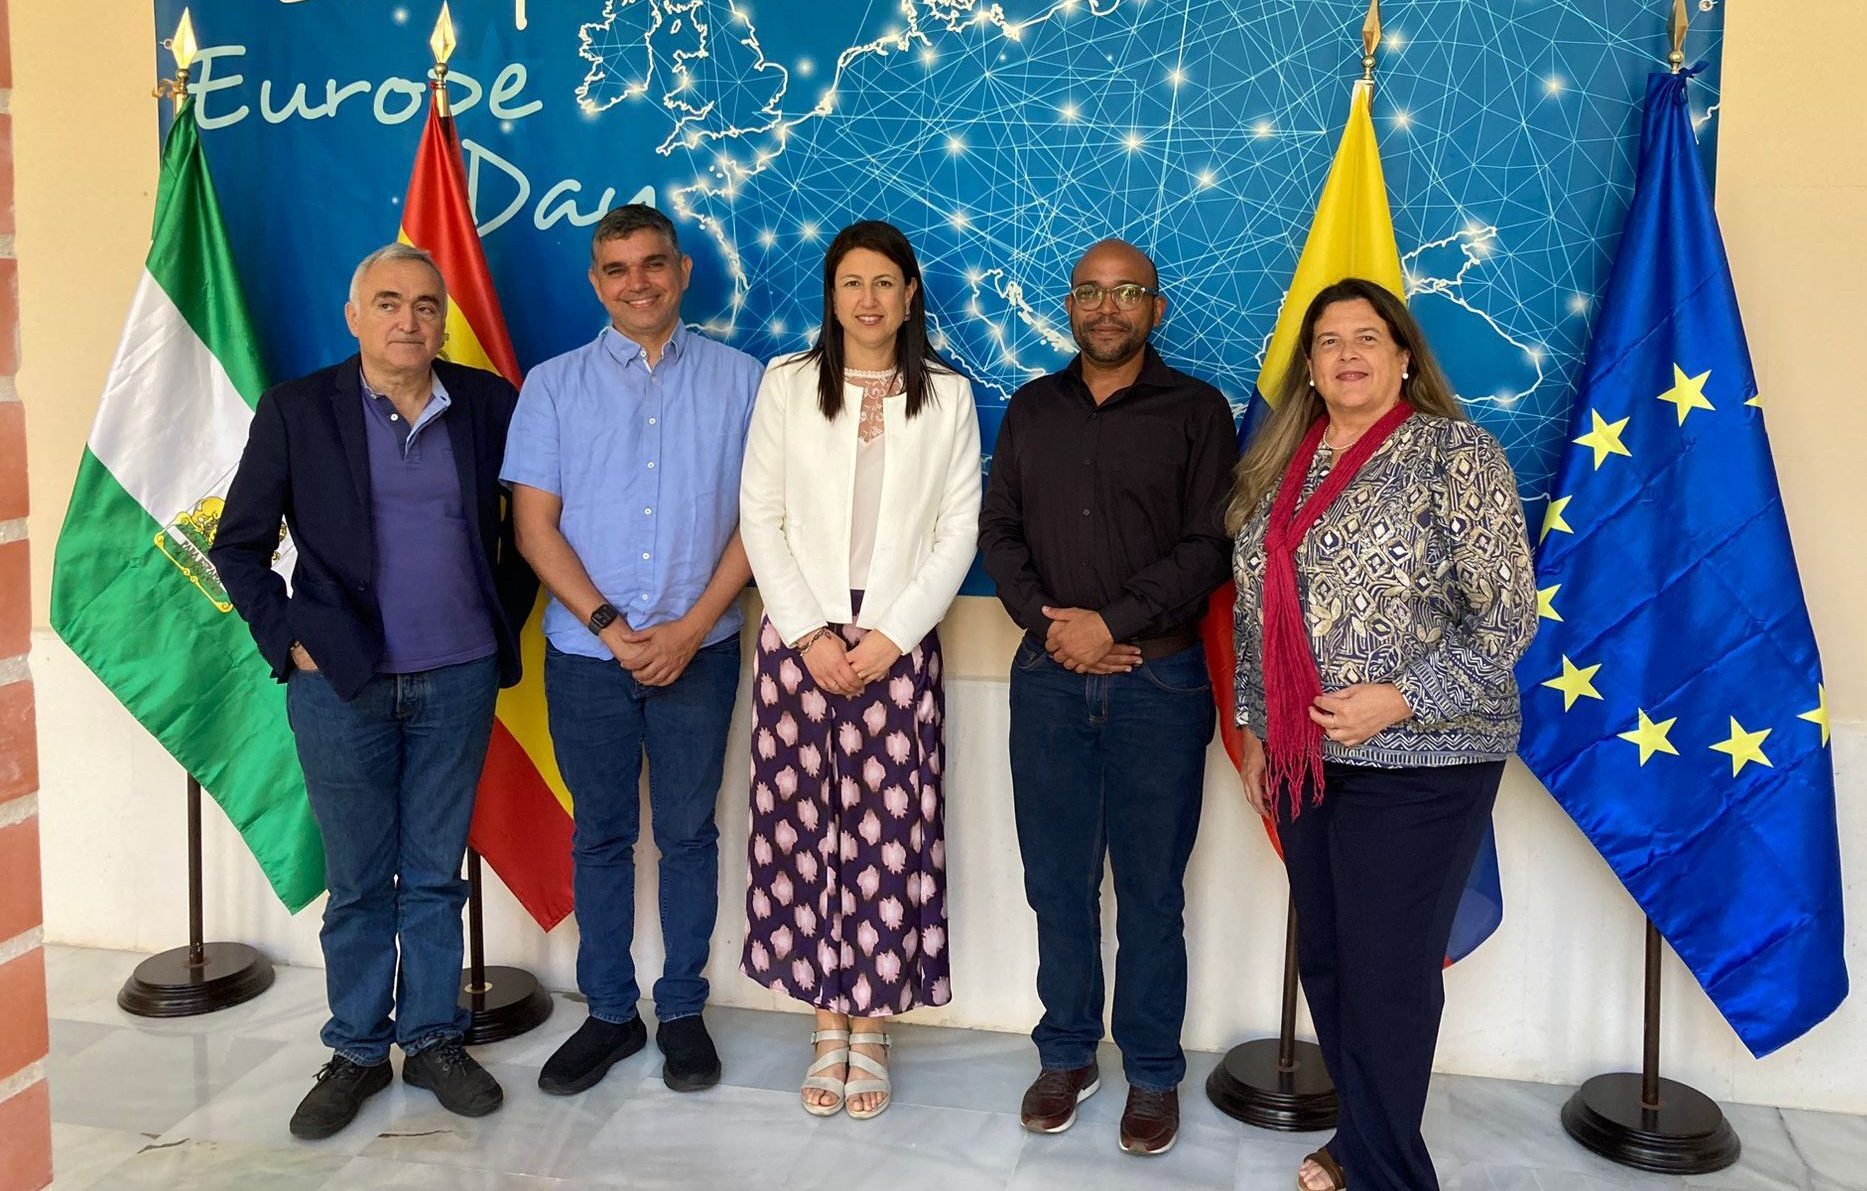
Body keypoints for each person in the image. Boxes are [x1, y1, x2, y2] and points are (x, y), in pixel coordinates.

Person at [213, 243, 538, 1139]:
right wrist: (290, 637)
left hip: (459, 678)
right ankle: (357, 1046)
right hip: (341, 687)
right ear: (354, 317)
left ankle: (433, 1037)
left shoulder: (486, 405)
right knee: (358, 882)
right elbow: (236, 545)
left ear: (442, 319)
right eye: (388, 303)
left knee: (434, 876)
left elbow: (533, 529)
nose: (410, 320)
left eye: (426, 305)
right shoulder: (297, 410)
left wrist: (493, 622)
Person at [1228, 278, 1537, 1191]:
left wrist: (1397, 697)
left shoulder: (1455, 453)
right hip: (1306, 757)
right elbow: (1255, 615)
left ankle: (1390, 1173)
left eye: (1368, 336)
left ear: (1404, 356)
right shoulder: (1283, 463)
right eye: (1328, 341)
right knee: (1328, 956)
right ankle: (1358, 1142)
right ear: (1311, 368)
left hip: (1425, 756)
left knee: (1387, 970)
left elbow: (1507, 617)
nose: (1348, 353)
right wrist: (1255, 725)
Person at [979, 238, 1236, 1156]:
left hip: (1158, 683)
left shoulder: (1197, 410)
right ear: (1068, 306)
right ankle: (1066, 1054)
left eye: (1126, 292)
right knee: (1056, 884)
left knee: (1150, 890)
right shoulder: (1030, 409)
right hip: (1047, 680)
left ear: (1154, 309)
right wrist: (1056, 626)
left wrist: (1111, 622)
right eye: (1088, 292)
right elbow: (998, 529)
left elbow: (1210, 545)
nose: (1106, 307)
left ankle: (1154, 1072)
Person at [502, 204, 763, 1096]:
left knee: (690, 834)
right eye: (617, 269)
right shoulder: (552, 386)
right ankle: (609, 1013)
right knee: (601, 837)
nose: (637, 282)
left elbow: (760, 523)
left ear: (683, 271)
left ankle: (682, 1009)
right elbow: (533, 527)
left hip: (705, 650)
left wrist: (690, 629)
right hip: (585, 657)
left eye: (653, 264)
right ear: (595, 282)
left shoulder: (744, 382)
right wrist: (613, 627)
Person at [738, 220, 981, 1120]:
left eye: (885, 282)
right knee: (803, 828)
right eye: (850, 283)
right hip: (798, 641)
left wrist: (885, 636)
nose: (868, 300)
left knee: (887, 833)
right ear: (830, 294)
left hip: (898, 640)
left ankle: (871, 1024)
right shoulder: (788, 385)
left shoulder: (947, 397)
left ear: (910, 295)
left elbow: (958, 530)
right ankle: (823, 1021)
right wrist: (809, 635)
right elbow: (760, 515)